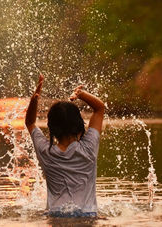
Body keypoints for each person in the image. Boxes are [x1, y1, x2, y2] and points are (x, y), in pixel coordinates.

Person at [25, 74, 105, 217]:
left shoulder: (45, 151)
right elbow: (99, 108)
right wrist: (80, 94)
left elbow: (30, 123)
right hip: (87, 215)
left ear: (52, 129)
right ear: (80, 125)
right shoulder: (89, 148)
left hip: (55, 215)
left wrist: (34, 100)